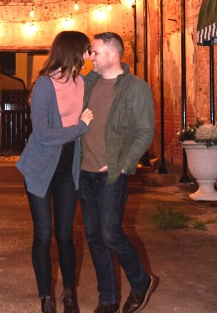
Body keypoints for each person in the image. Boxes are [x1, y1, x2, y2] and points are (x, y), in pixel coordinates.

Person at [17, 31, 94, 313]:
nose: (89, 56)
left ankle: (69, 293)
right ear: (73, 51)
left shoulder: (83, 82)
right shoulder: (44, 85)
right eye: (87, 50)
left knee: (65, 233)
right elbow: (44, 134)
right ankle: (45, 297)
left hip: (69, 165)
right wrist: (79, 128)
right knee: (43, 232)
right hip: (39, 165)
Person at [80, 32, 156, 313]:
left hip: (111, 171)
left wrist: (123, 164)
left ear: (112, 55)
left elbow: (144, 131)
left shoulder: (136, 88)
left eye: (95, 52)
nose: (91, 57)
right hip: (84, 169)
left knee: (110, 232)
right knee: (94, 237)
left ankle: (140, 281)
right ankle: (108, 299)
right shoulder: (89, 82)